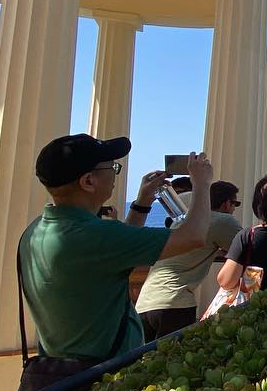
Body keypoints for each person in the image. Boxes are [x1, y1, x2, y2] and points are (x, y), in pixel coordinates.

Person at [18, 135, 213, 368]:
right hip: (104, 375)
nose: (115, 173)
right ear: (88, 181)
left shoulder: (34, 231)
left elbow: (117, 252)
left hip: (60, 371)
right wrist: (202, 184)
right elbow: (193, 236)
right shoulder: (95, 235)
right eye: (113, 167)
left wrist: (142, 203)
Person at [135, 179, 243, 340]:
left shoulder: (187, 220)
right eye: (236, 204)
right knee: (174, 360)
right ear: (227, 204)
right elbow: (246, 249)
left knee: (145, 362)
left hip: (146, 301)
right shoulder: (224, 221)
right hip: (176, 302)